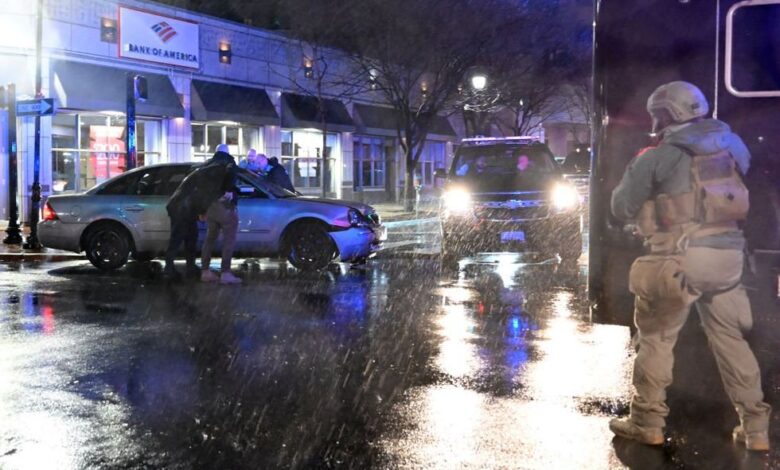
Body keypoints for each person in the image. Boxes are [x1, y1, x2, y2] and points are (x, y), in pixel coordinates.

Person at [609, 81, 771, 451]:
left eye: (658, 114)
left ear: (670, 114)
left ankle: (646, 421)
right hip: (728, 260)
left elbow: (621, 207)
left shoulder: (655, 156)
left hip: (678, 261)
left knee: (656, 340)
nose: (654, 120)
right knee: (732, 342)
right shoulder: (733, 144)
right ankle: (756, 428)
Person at [200, 144, 242, 285]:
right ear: (227, 152)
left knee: (209, 239)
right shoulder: (229, 162)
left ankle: (205, 271)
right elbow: (231, 175)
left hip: (210, 206)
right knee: (228, 240)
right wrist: (229, 190)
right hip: (224, 204)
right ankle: (225, 273)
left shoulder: (207, 164)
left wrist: (202, 209)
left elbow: (201, 186)